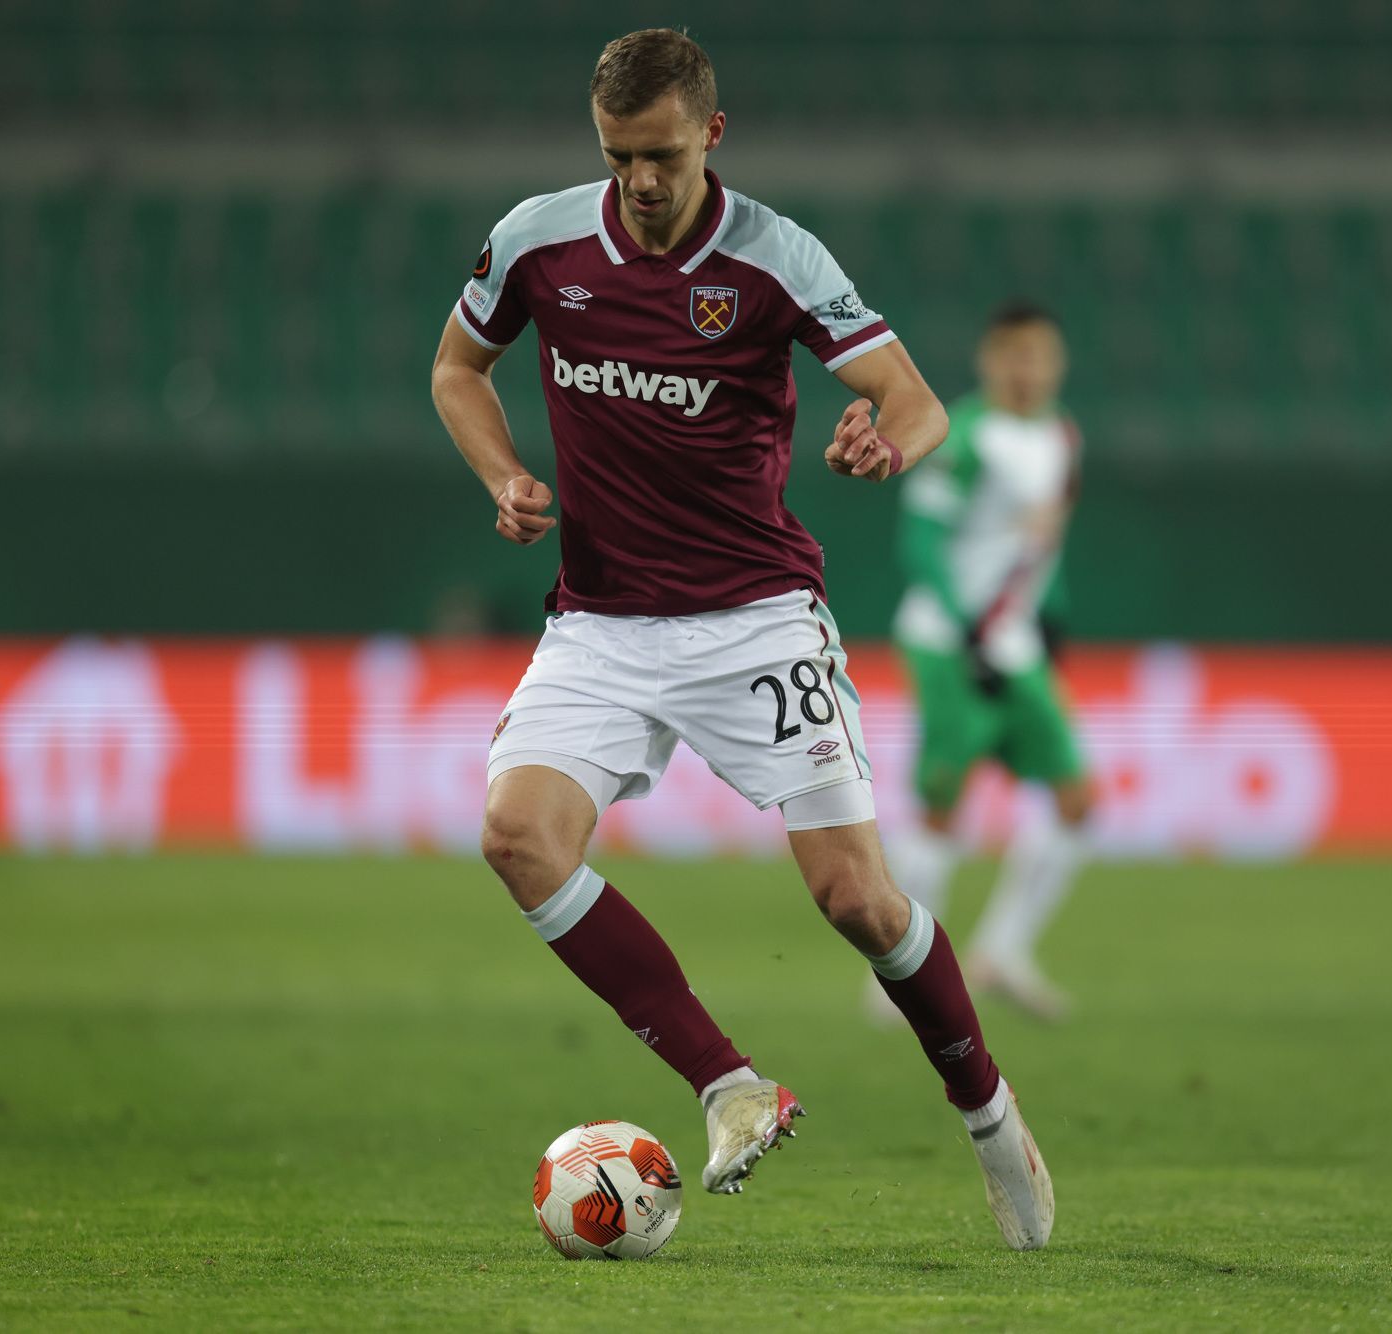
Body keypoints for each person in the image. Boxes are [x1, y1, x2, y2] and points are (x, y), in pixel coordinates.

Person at [428, 29, 1053, 1249]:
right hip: (600, 622)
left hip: (754, 618)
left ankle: (987, 1112)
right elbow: (458, 367)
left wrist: (885, 438)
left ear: (710, 135)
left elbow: (915, 400)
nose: (638, 180)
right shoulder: (539, 241)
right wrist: (501, 473)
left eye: (660, 155)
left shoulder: (773, 256)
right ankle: (728, 1084)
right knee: (516, 835)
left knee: (857, 898)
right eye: (616, 155)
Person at [876, 303, 1093, 1022]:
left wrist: (1051, 623)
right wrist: (969, 630)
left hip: (1015, 642)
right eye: (1014, 355)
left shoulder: (1063, 436)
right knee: (944, 806)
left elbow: (1042, 549)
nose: (1028, 370)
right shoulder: (965, 436)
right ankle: (904, 979)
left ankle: (1002, 953)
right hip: (947, 640)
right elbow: (920, 540)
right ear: (989, 360)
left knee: (1077, 798)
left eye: (1041, 355)